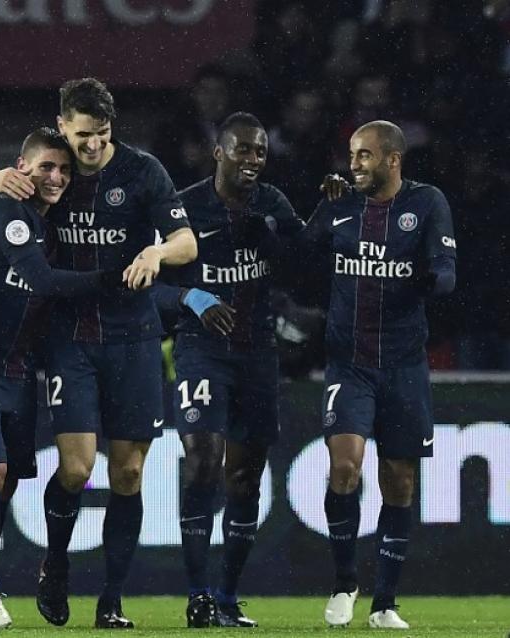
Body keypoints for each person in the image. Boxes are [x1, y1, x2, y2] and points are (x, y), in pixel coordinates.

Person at [0, 77, 197, 629]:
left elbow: (188, 243)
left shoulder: (143, 171)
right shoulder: (47, 175)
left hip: (135, 338)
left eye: (101, 135)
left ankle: (111, 598)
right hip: (69, 341)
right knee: (77, 466)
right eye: (82, 134)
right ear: (63, 125)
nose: (90, 147)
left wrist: (158, 252)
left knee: (130, 474)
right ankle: (56, 563)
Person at [0, 127, 123, 629]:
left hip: (19, 368)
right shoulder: (6, 211)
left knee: (5, 485)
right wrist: (113, 278)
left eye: (64, 170)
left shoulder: (50, 224)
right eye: (46, 166)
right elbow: (42, 281)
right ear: (21, 166)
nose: (57, 177)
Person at [152, 112, 303, 629]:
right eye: (242, 150)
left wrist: (301, 227)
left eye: (259, 151)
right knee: (202, 459)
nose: (252, 160)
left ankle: (228, 596)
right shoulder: (184, 207)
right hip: (199, 348)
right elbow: (145, 286)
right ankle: (197, 597)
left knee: (246, 474)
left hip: (258, 351)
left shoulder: (273, 204)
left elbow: (306, 259)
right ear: (218, 152)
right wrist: (189, 296)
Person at [309, 121, 456, 629]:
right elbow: (300, 255)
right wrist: (322, 208)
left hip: (403, 365)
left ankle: (385, 602)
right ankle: (344, 582)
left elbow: (446, 271)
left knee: (399, 478)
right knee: (344, 466)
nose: (355, 165)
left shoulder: (427, 202)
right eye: (352, 154)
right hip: (348, 363)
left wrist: (430, 277)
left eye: (365, 156)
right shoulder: (341, 204)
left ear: (393, 160)